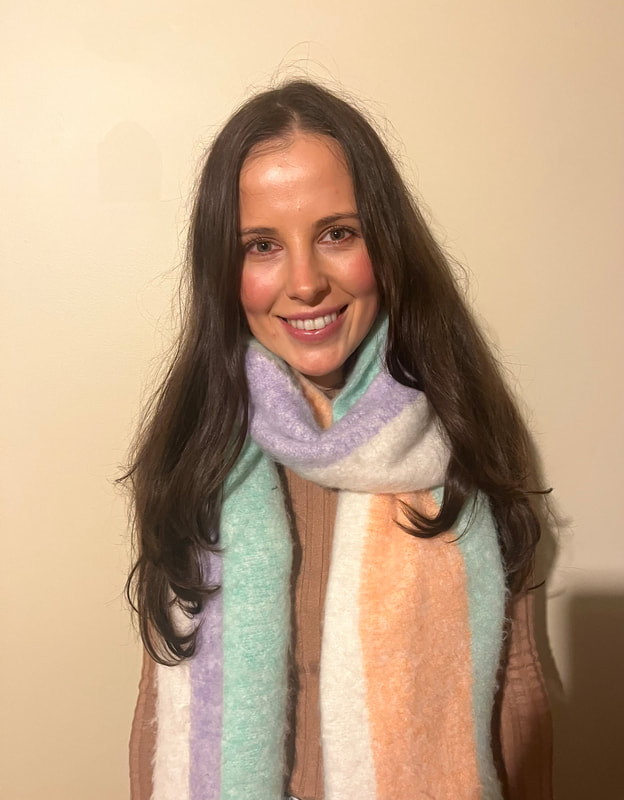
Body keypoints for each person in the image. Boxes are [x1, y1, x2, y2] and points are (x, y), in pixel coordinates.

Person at [126, 80, 552, 800]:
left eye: (337, 234)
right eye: (262, 245)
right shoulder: (193, 450)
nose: (305, 283)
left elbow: (516, 691)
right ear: (223, 270)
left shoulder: (464, 433)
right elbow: (159, 707)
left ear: (383, 242)